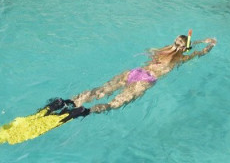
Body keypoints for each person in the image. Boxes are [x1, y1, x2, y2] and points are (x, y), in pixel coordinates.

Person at [52, 35, 217, 120]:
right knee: (114, 104)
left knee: (99, 91)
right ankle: (84, 111)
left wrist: (198, 40)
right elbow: (199, 53)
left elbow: (179, 45)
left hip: (134, 72)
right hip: (145, 81)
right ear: (185, 48)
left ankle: (69, 102)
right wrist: (208, 44)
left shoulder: (160, 50)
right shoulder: (181, 58)